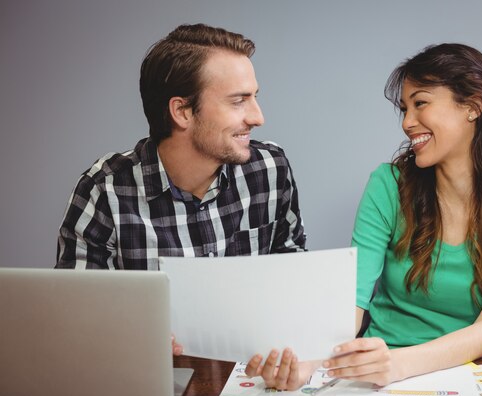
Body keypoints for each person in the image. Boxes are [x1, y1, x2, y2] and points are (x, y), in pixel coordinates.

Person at [245, 43, 482, 389]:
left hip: (466, 377)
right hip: (377, 372)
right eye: (404, 108)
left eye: (421, 103)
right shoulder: (387, 185)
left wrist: (398, 364)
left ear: (473, 106)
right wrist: (308, 362)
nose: (407, 123)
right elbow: (351, 300)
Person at [56, 24, 306, 271]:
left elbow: (295, 277)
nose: (258, 118)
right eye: (238, 101)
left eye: (255, 97)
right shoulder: (105, 192)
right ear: (182, 111)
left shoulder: (271, 170)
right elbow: (79, 309)